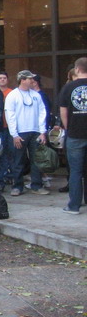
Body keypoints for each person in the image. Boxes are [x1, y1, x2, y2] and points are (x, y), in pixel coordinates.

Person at [4, 70, 49, 196]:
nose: (32, 81)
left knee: (36, 159)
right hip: (20, 132)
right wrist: (14, 134)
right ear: (22, 80)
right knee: (17, 160)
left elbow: (42, 112)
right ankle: (17, 186)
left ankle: (37, 185)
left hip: (35, 131)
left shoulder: (36, 95)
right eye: (29, 79)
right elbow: (10, 115)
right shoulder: (13, 95)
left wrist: (42, 131)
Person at [59, 57, 87, 214]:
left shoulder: (68, 87)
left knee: (75, 171)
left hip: (75, 134)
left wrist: (68, 128)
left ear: (77, 69)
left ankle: (74, 206)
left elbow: (63, 111)